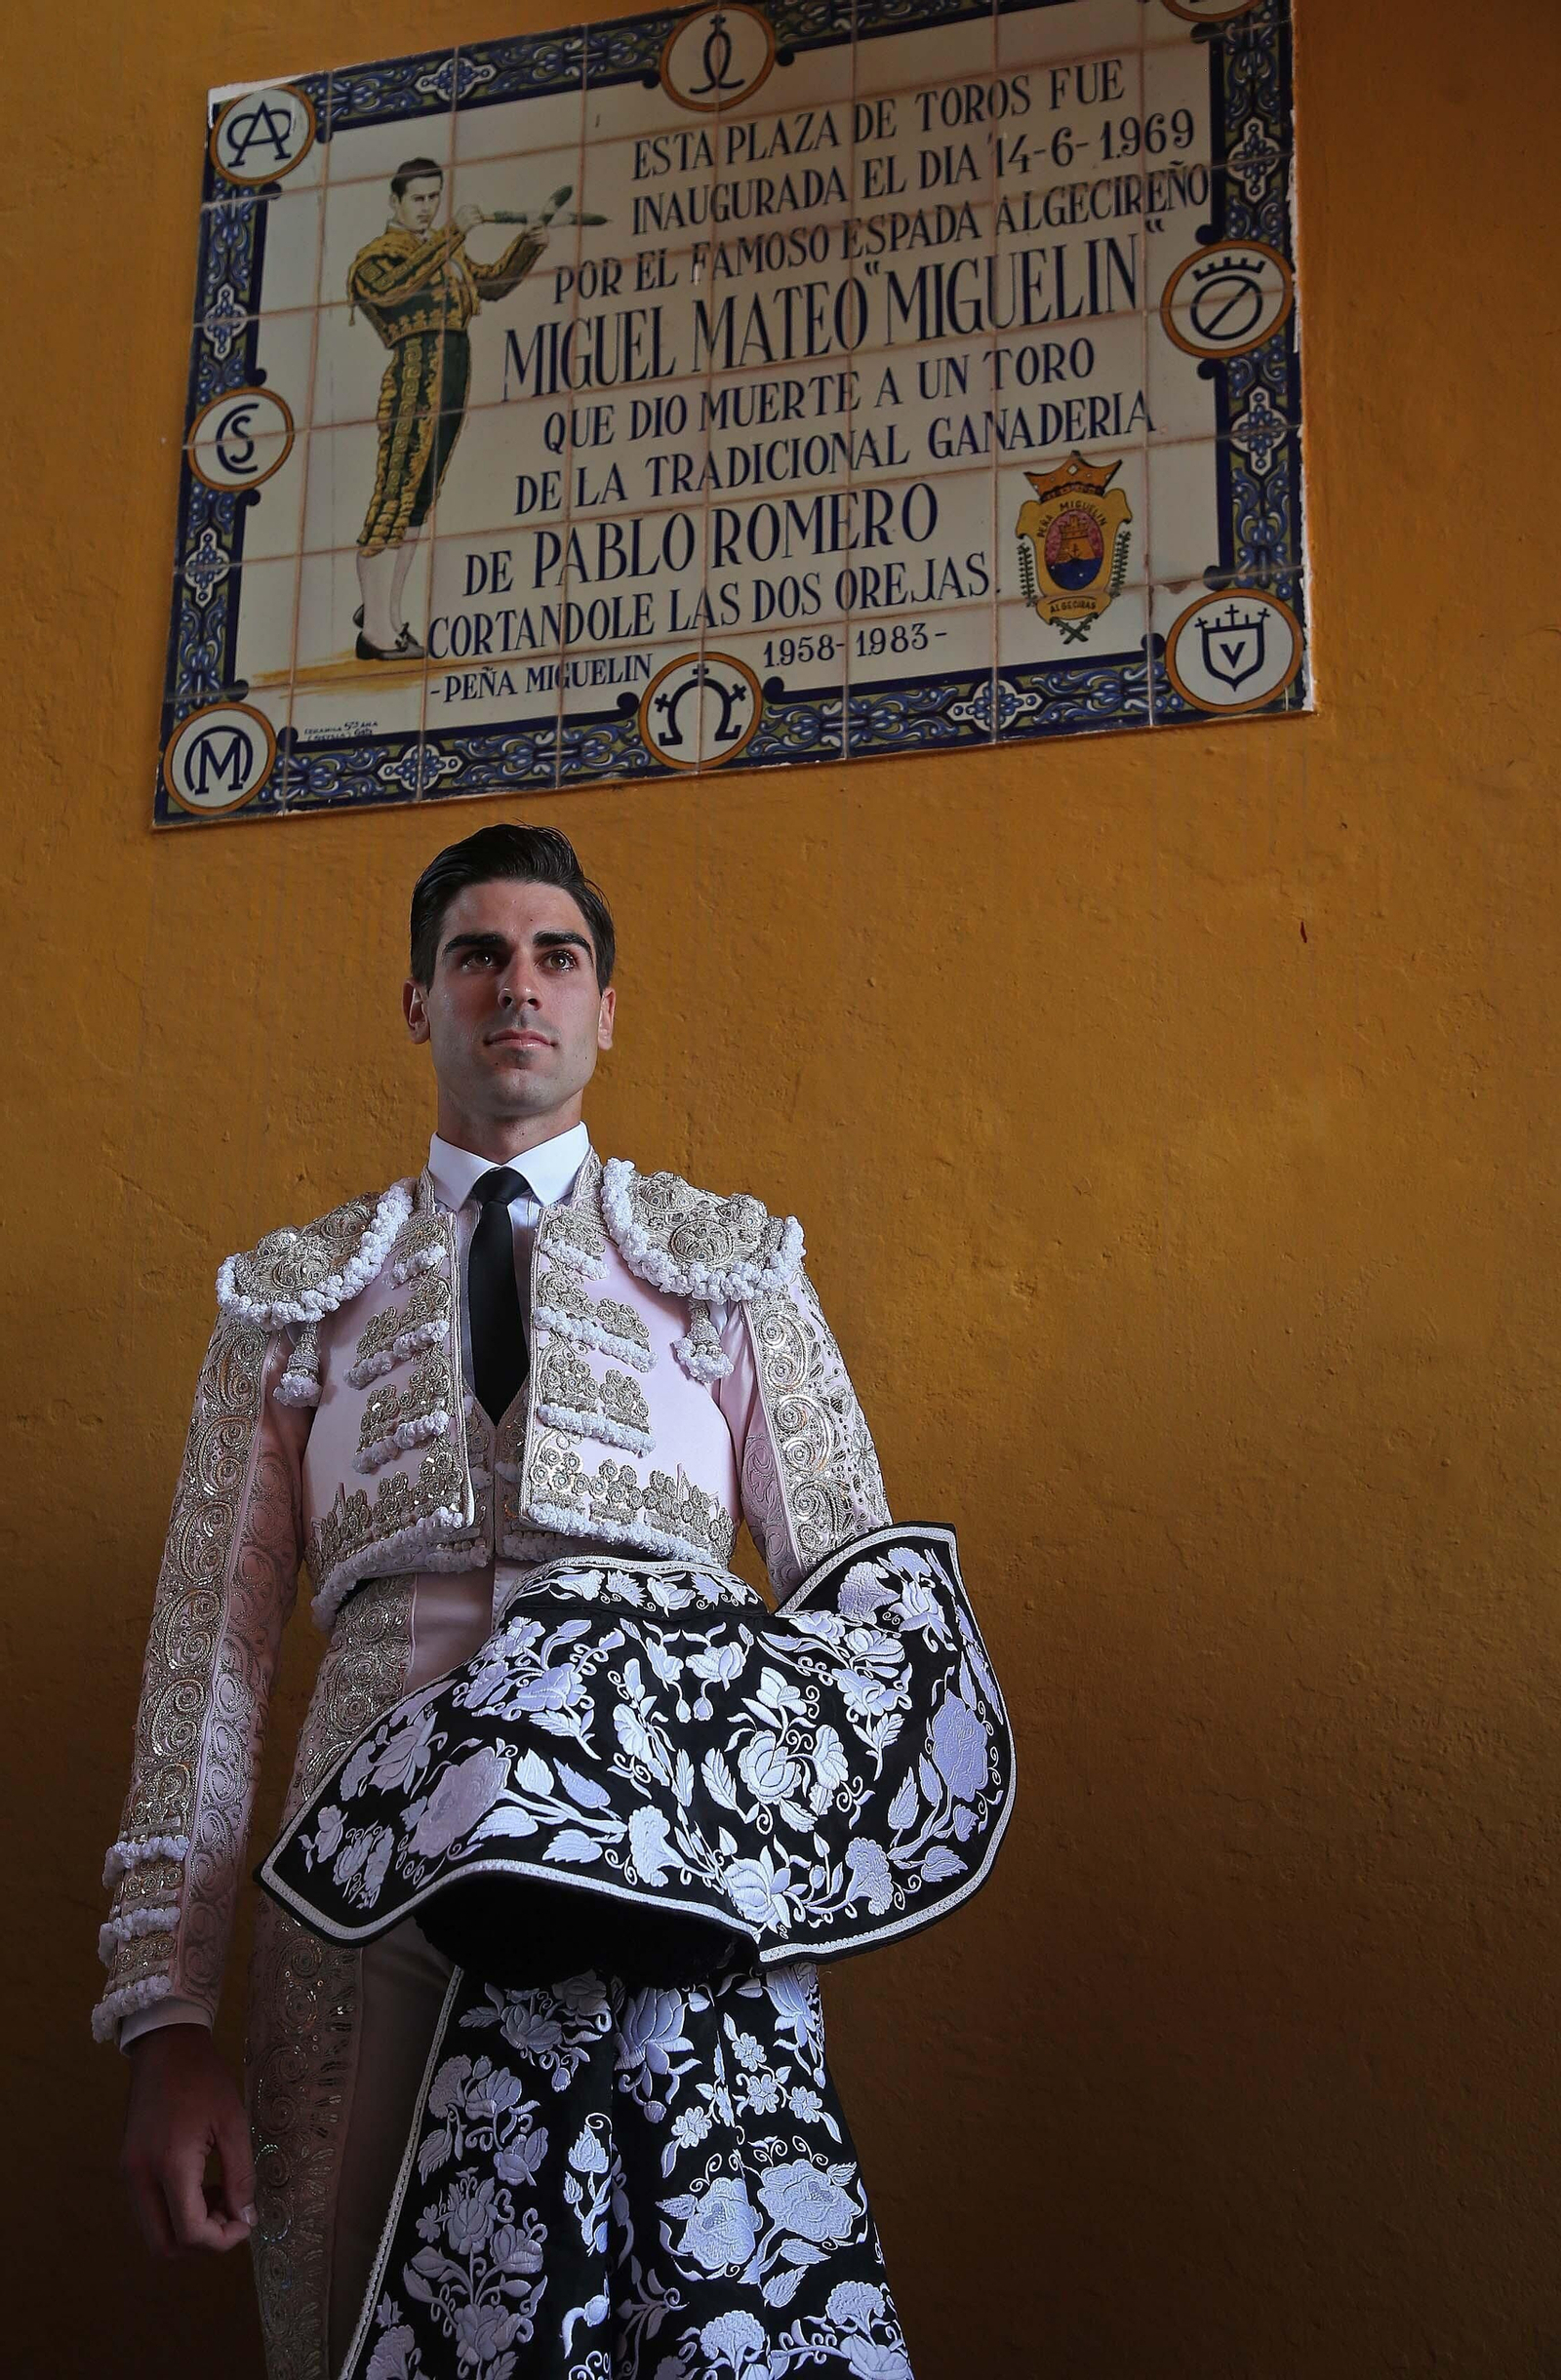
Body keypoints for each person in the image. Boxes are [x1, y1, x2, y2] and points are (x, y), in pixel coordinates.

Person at [98, 822, 1013, 2379]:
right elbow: (210, 1660)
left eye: (556, 957)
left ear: (605, 1009)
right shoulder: (292, 1299)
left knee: (695, 2329)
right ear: (419, 1004)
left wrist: (764, 1874)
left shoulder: (733, 1270)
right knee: (354, 2322)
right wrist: (164, 2017)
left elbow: (863, 1612)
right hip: (368, 1895)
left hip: (674, 1868)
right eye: (477, 956)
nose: (516, 987)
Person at [348, 161, 550, 659]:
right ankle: (374, 628)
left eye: (434, 197)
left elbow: (491, 284)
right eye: (417, 199)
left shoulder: (441, 249)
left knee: (420, 497)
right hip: (415, 374)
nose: (427, 208)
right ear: (395, 202)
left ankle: (388, 615)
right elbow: (394, 289)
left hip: (453, 371)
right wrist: (452, 233)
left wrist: (527, 246)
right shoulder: (378, 256)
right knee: (395, 494)